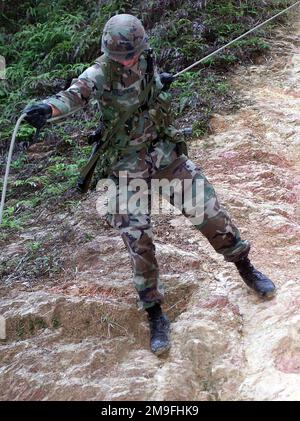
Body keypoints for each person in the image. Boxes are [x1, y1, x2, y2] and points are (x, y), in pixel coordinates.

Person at [23, 14, 276, 356]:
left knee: (210, 213)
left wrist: (158, 83)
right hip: (125, 167)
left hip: (165, 155)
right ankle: (155, 313)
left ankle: (246, 268)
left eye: (131, 53)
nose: (127, 60)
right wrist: (47, 109)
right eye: (121, 55)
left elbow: (148, 84)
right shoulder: (99, 73)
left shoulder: (145, 58)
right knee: (138, 240)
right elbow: (72, 96)